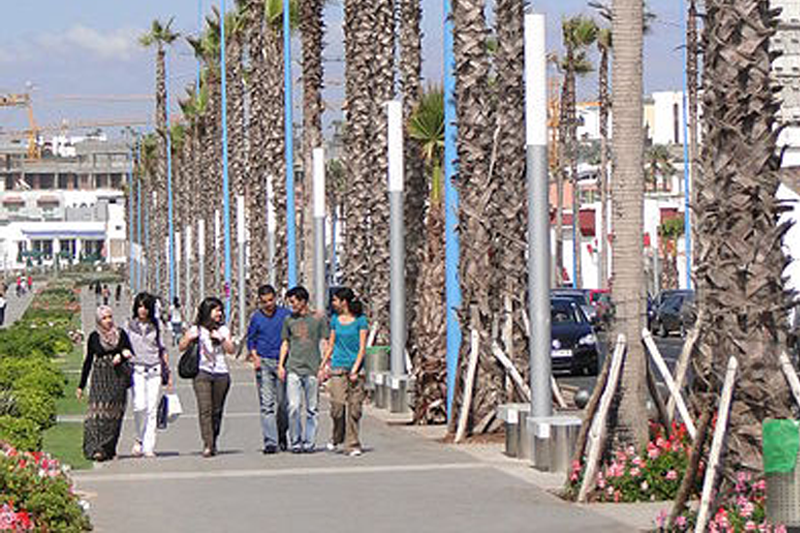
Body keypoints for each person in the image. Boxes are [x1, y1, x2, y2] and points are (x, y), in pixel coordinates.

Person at [179, 297, 234, 458]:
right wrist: (188, 338)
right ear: (207, 311)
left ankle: (213, 439)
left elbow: (231, 350)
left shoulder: (223, 330)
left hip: (221, 373)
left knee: (216, 411)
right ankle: (208, 444)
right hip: (201, 372)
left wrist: (221, 339)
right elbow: (182, 346)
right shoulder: (196, 329)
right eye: (216, 310)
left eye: (220, 310)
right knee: (205, 410)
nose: (219, 313)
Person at [77, 305, 133, 461]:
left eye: (109, 317)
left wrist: (120, 356)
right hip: (100, 378)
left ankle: (109, 449)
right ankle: (96, 448)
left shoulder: (121, 334)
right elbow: (88, 360)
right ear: (98, 320)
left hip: (118, 377)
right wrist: (81, 385)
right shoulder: (94, 337)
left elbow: (129, 351)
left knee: (113, 415)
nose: (108, 321)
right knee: (96, 414)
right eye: (104, 318)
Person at [278, 286, 329, 454]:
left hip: (313, 368)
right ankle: (295, 441)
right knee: (293, 406)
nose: (291, 305)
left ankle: (309, 442)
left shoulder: (318, 319)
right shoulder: (288, 320)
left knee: (312, 408)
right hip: (293, 367)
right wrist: (281, 365)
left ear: (303, 301)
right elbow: (285, 343)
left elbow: (324, 342)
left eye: (293, 301)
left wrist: (323, 366)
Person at [320, 287, 369, 457]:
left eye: (335, 300)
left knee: (354, 409)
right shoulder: (334, 320)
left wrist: (355, 369)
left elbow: (362, 347)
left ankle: (352, 444)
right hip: (338, 368)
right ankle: (336, 435)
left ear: (344, 302)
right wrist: (323, 364)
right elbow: (331, 344)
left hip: (356, 369)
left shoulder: (360, 320)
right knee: (337, 406)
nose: (333, 303)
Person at [124, 292, 170, 458]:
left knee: (151, 409)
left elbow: (162, 349)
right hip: (137, 369)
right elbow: (124, 344)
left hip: (154, 370)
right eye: (140, 306)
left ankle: (149, 445)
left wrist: (168, 373)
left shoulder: (157, 326)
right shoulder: (129, 325)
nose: (142, 310)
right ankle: (139, 437)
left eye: (145, 307)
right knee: (139, 406)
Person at [247, 285, 291, 454]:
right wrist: (255, 356)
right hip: (264, 362)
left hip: (282, 363)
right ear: (260, 301)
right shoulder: (256, 318)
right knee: (267, 405)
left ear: (275, 298)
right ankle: (270, 442)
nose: (268, 304)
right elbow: (251, 340)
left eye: (271, 300)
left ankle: (281, 435)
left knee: (283, 404)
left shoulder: (285, 315)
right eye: (264, 301)